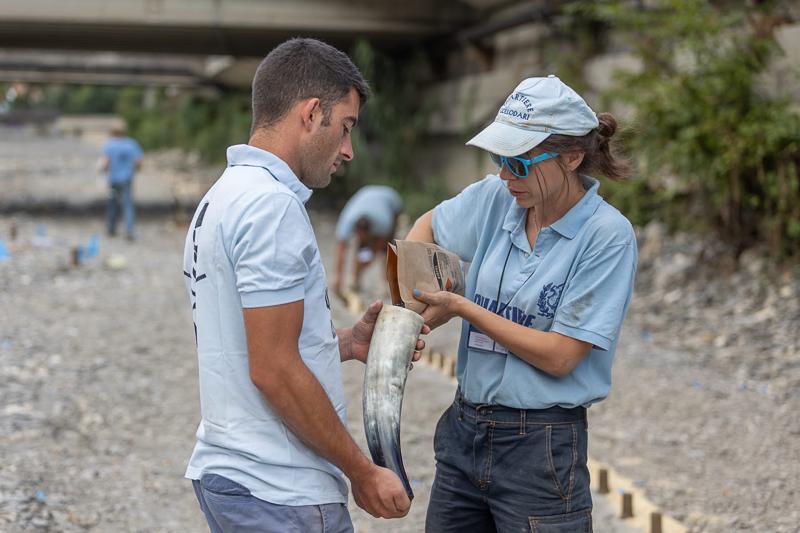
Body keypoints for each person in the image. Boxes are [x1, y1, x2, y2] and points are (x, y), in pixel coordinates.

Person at [182, 38, 427, 532]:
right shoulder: (271, 208)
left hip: (234, 474)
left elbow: (248, 342)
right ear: (312, 114)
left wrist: (345, 344)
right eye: (345, 127)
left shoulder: (224, 196)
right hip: (279, 488)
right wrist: (361, 472)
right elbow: (273, 368)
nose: (348, 151)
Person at [406, 75, 638, 532]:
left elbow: (561, 356)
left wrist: (462, 305)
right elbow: (427, 227)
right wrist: (411, 311)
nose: (504, 175)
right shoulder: (498, 200)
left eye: (518, 162)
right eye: (498, 158)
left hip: (541, 446)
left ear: (572, 158)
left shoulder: (606, 237)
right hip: (464, 429)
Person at [333, 185, 403, 298]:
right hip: (365, 194)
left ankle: (387, 283)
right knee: (363, 250)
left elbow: (381, 244)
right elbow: (341, 250)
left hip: (392, 200)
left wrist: (370, 256)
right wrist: (338, 278)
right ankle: (355, 280)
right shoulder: (346, 222)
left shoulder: (383, 223)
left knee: (388, 249)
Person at [102, 126, 142, 240]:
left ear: (113, 133)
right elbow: (138, 161)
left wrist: (105, 171)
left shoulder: (110, 145)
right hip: (127, 179)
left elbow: (105, 162)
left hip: (113, 179)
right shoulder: (132, 144)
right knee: (128, 205)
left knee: (112, 204)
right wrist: (134, 170)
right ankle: (129, 230)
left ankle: (111, 229)